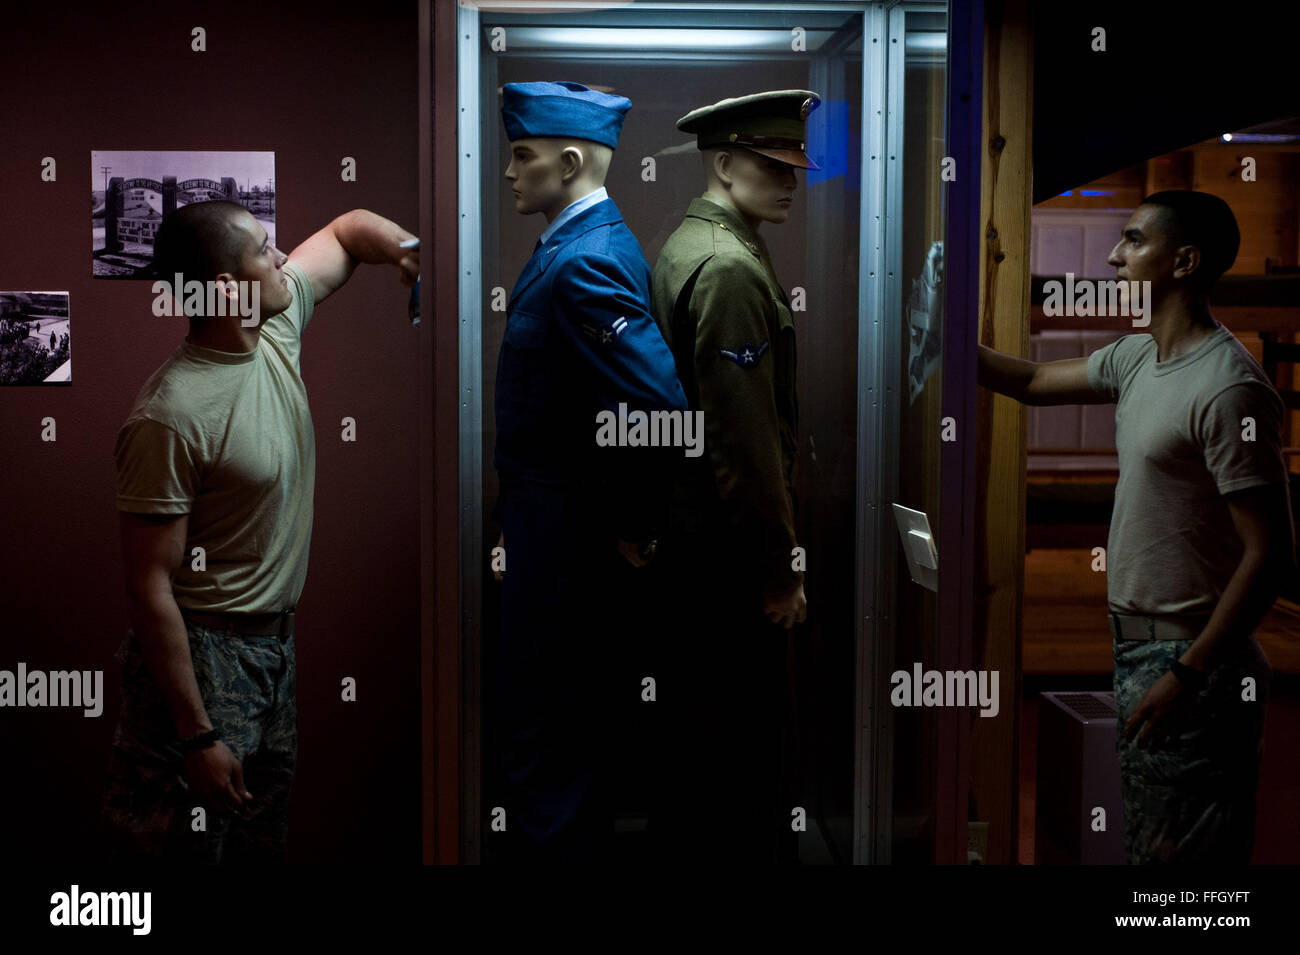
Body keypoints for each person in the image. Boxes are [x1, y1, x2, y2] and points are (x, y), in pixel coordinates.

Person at [978, 190, 1295, 863]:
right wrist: (941, 338)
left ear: (1183, 260)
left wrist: (1189, 670)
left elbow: (1270, 554)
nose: (1115, 256)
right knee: (1154, 853)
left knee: (1183, 874)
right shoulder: (1136, 358)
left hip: (1194, 660)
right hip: (1142, 650)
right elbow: (1033, 379)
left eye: (1133, 241)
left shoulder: (1227, 387)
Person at [103, 199, 417, 861]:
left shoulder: (270, 330)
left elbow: (345, 231)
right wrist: (196, 735)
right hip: (206, 656)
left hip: (273, 649)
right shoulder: (171, 413)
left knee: (255, 847)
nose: (283, 259)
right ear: (226, 288)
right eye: (265, 250)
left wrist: (406, 248)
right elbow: (149, 585)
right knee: (178, 852)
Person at [490, 81, 687, 863]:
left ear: (569, 161)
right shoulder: (576, 246)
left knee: (552, 743)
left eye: (521, 155)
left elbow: (660, 408)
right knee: (559, 740)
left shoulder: (585, 262)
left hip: (567, 549)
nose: (509, 172)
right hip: (554, 539)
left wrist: (633, 524)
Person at [648, 89, 820, 864]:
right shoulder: (727, 270)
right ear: (723, 164)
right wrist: (780, 567)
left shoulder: (695, 244)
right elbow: (744, 446)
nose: (792, 180)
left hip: (696, 541)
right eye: (772, 165)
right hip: (727, 552)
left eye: (795, 167)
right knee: (739, 757)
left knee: (702, 747)